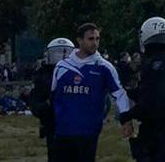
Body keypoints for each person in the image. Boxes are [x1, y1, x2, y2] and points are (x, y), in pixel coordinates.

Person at [52, 23, 131, 162]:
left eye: (97, 38)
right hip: (63, 130)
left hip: (88, 131)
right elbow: (53, 93)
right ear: (79, 40)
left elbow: (119, 94)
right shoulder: (62, 66)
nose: (95, 43)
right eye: (90, 39)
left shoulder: (104, 67)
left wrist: (126, 119)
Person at [117, 17, 165, 162]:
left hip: (158, 132)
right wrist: (133, 93)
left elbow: (152, 102)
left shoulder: (155, 63)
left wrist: (127, 115)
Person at [32, 37, 74, 161]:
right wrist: (46, 105)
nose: (61, 57)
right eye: (57, 53)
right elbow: (36, 104)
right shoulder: (42, 75)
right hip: (52, 121)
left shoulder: (78, 72)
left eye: (65, 52)